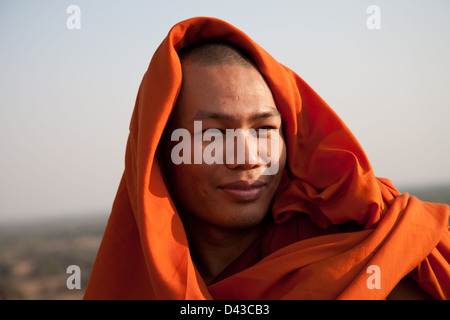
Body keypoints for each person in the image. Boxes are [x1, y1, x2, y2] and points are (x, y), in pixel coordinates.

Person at [84, 17, 450, 300]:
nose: (248, 158)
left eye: (264, 129)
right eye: (214, 134)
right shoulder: (131, 281)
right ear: (161, 154)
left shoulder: (366, 258)